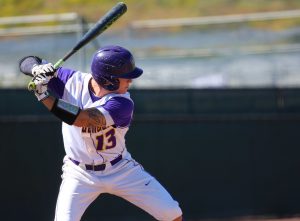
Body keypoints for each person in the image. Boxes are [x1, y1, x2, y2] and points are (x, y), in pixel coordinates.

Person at [26, 45, 183, 221]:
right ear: (110, 80)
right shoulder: (72, 81)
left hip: (119, 168)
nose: (130, 82)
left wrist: (44, 96)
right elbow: (27, 61)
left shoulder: (123, 104)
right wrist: (37, 68)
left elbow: (82, 119)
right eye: (126, 78)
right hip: (78, 173)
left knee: (172, 214)